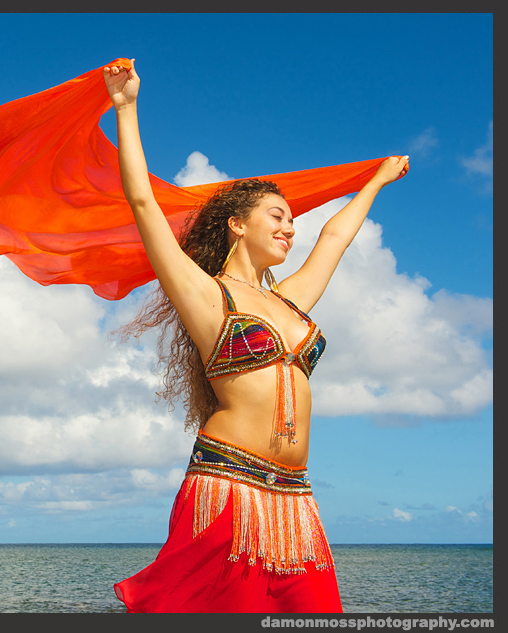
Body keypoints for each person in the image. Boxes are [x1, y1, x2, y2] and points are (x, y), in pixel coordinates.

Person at [105, 60, 409, 613]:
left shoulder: (290, 299)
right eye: (278, 215)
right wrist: (126, 108)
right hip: (226, 490)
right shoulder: (206, 296)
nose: (291, 227)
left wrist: (376, 181)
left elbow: (336, 237)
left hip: (296, 501)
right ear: (238, 224)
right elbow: (144, 202)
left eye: (293, 220)